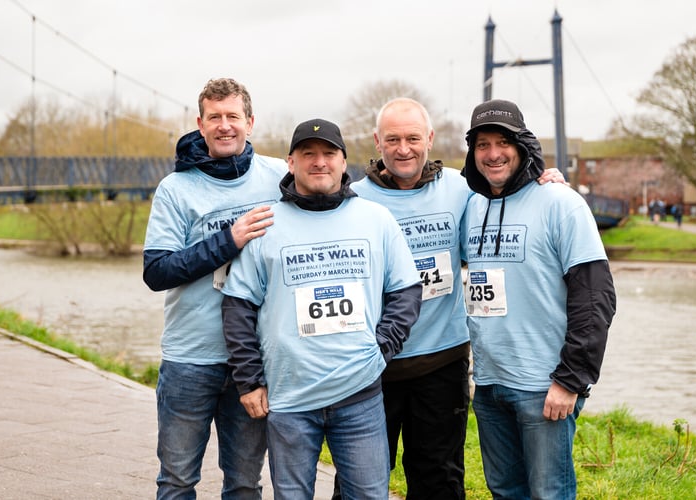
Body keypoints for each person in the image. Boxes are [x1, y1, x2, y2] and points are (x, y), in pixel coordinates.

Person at [340, 97, 567, 499]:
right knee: (361, 483)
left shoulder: (463, 190)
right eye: (393, 139)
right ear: (377, 142)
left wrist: (543, 181)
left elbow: (507, 196)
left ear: (429, 139)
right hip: (371, 367)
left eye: (413, 138)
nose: (403, 148)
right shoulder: (352, 200)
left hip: (441, 364)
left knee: (439, 481)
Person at [221, 118, 423, 500]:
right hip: (290, 399)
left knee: (369, 495)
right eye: (307, 154)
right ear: (290, 162)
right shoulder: (266, 224)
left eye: (329, 153)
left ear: (344, 162)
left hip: (359, 394)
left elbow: (407, 291)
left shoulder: (375, 219)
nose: (319, 162)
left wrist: (382, 348)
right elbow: (238, 306)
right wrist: (249, 380)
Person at [460, 99, 616, 500]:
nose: (493, 154)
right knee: (505, 491)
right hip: (490, 384)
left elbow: (596, 297)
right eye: (482, 145)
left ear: (523, 145)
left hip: (544, 386)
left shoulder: (561, 203)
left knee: (550, 493)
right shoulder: (471, 206)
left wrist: (571, 379)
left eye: (503, 142)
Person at [142, 78, 287, 498]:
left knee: (244, 483)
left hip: (253, 360)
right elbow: (158, 271)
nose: (225, 126)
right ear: (200, 124)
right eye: (215, 117)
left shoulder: (278, 176)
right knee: (177, 480)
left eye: (233, 117)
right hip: (190, 358)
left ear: (251, 122)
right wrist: (230, 239)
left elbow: (328, 197)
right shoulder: (176, 188)